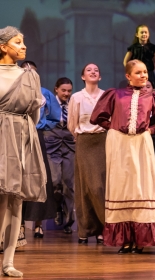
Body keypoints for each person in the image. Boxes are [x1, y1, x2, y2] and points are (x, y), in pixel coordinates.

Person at [90, 59, 155, 254]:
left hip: (141, 143)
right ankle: (126, 239)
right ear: (128, 76)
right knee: (122, 187)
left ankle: (141, 239)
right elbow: (97, 117)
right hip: (119, 143)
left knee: (142, 186)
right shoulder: (115, 94)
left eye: (145, 72)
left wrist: (150, 130)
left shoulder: (152, 96)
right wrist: (115, 128)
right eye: (139, 72)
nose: (144, 75)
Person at [0, 26, 47, 277]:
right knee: (0, 199)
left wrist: (25, 132)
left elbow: (35, 113)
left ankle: (8, 261)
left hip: (21, 137)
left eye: (23, 42)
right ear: (3, 46)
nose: (23, 46)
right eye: (17, 42)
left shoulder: (30, 76)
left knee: (16, 200)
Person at [18, 61, 58, 242]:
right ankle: (17, 225)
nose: (29, 74)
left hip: (37, 134)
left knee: (41, 177)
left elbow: (55, 116)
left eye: (32, 71)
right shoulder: (15, 89)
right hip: (18, 134)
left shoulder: (45, 94)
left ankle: (39, 224)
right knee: (18, 177)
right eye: (25, 71)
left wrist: (42, 126)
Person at [68, 63, 107, 245]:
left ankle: (102, 228)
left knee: (100, 186)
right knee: (86, 187)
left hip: (102, 141)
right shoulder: (76, 97)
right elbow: (71, 123)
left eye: (96, 70)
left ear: (100, 77)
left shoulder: (106, 96)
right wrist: (81, 136)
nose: (93, 72)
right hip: (84, 142)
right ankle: (85, 229)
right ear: (83, 76)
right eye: (89, 70)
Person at [44, 77, 77, 236]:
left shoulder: (73, 103)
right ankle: (58, 208)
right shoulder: (48, 103)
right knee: (55, 182)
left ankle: (69, 221)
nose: (66, 93)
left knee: (68, 184)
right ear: (56, 89)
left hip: (70, 146)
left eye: (69, 91)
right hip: (53, 144)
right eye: (63, 90)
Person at [124, 25, 155, 90]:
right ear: (137, 35)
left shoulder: (152, 47)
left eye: (146, 32)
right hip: (136, 74)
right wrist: (131, 71)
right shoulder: (133, 48)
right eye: (142, 32)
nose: (144, 34)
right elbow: (125, 61)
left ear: (148, 34)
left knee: (151, 89)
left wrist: (152, 69)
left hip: (149, 73)